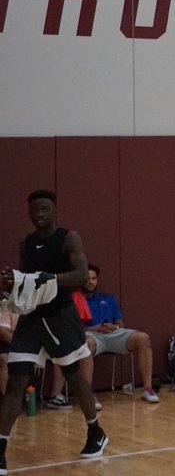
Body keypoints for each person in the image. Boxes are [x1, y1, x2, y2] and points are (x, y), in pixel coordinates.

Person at [0, 191, 109, 472]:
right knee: (15, 383)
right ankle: (0, 449)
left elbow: (82, 275)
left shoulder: (68, 238)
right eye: (35, 210)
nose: (39, 215)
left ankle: (95, 432)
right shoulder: (27, 243)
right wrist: (12, 282)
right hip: (32, 319)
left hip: (61, 317)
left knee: (75, 379)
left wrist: (49, 279)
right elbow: (27, 280)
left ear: (54, 210)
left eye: (44, 209)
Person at [45, 265, 160, 407]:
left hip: (112, 335)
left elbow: (120, 325)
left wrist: (114, 327)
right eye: (87, 279)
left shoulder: (109, 299)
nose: (91, 282)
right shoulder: (73, 300)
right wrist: (94, 328)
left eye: (94, 278)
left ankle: (148, 388)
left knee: (143, 338)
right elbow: (70, 328)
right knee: (87, 344)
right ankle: (87, 395)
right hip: (90, 335)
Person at [0, 311, 16, 398]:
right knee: (3, 358)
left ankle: (55, 396)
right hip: (10, 343)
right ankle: (5, 398)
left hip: (30, 342)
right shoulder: (6, 304)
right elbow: (3, 333)